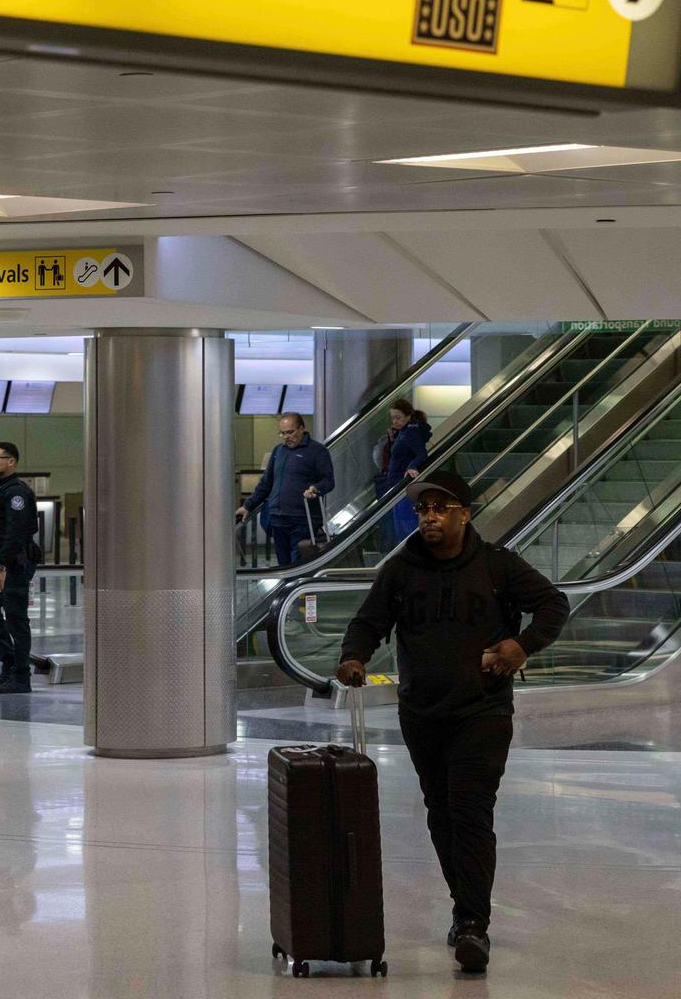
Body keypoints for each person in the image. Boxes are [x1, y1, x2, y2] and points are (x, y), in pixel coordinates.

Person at [335, 471, 569, 975]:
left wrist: (521, 645)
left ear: (465, 514)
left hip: (482, 711)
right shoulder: (401, 570)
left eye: (441, 508)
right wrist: (354, 656)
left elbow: (554, 604)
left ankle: (472, 924)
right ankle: (464, 911)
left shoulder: (498, 566)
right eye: (423, 510)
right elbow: (369, 622)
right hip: (421, 712)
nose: (430, 517)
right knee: (440, 815)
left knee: (469, 811)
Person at [0, 442, 40, 694]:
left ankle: (21, 676)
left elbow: (14, 533)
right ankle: (10, 661)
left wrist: (1, 566)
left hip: (13, 563)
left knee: (16, 619)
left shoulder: (16, 493)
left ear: (11, 462)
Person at [235, 413, 334, 567]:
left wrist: (316, 488)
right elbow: (266, 483)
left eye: (290, 432)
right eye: (282, 433)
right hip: (278, 518)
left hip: (303, 520)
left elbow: (328, 481)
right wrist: (248, 505)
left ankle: (299, 591)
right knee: (283, 564)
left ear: (302, 428)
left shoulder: (317, 451)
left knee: (298, 564)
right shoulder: (278, 451)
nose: (286, 437)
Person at [374, 398, 432, 544]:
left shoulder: (411, 432)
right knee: (401, 525)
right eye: (393, 418)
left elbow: (421, 453)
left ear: (408, 416)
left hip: (402, 486)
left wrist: (411, 466)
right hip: (396, 485)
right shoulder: (404, 432)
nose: (395, 421)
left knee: (405, 526)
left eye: (398, 418)